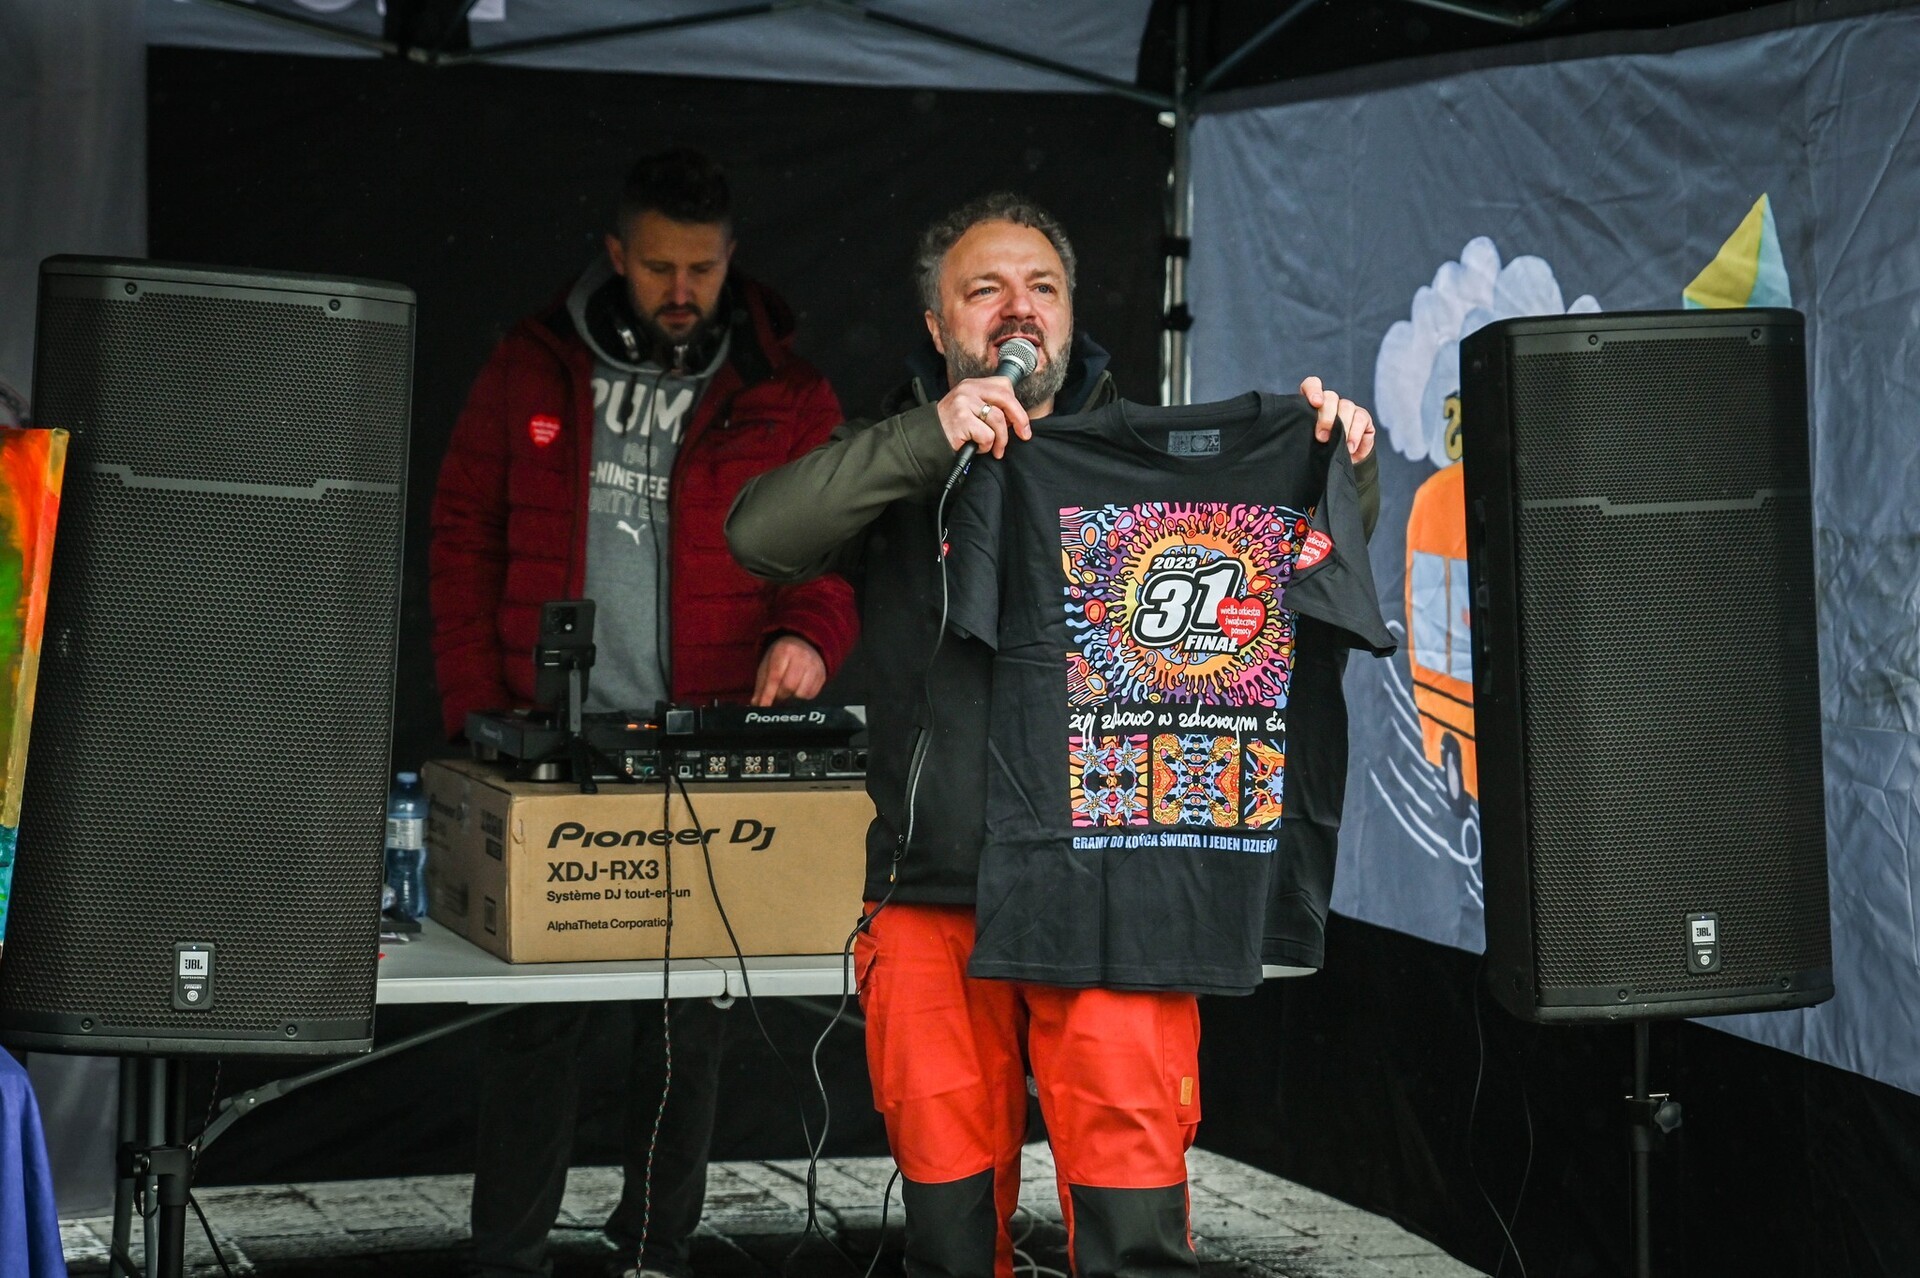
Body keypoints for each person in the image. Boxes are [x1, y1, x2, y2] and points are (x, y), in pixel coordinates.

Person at [726, 192, 1376, 1277]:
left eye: (1042, 288)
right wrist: (930, 436)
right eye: (984, 290)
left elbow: (1307, 565)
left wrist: (1340, 461)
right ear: (937, 325)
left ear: (1072, 314)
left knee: (1132, 1230)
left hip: (1117, 889)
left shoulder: (1157, 458)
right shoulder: (899, 448)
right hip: (933, 890)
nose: (1017, 309)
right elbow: (758, 535)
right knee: (946, 1232)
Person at [428, 148, 858, 1278]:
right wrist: (479, 711)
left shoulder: (785, 388)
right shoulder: (531, 364)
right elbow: (462, 534)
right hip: (549, 740)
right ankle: (508, 1257)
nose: (681, 290)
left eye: (702, 269)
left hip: (701, 742)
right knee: (533, 1020)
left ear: (732, 260)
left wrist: (808, 636)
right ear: (616, 255)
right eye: (659, 266)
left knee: (686, 1021)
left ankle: (655, 1251)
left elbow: (833, 547)